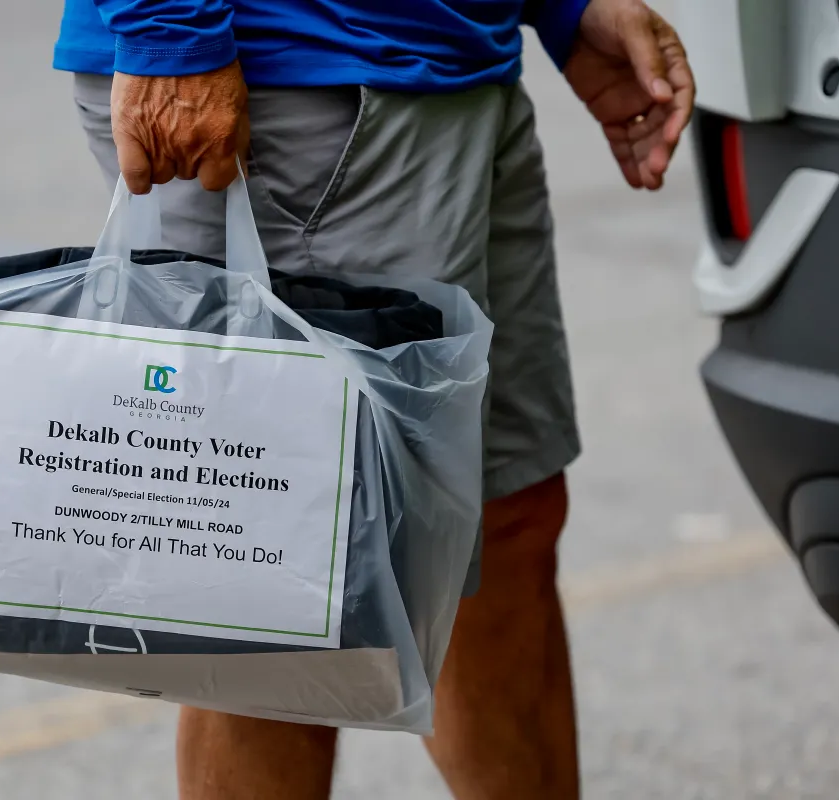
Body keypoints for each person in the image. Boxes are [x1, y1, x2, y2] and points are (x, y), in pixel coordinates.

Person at [53, 0, 694, 796]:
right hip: (296, 74)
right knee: (279, 589)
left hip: (456, 61)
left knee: (502, 523)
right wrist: (169, 28)